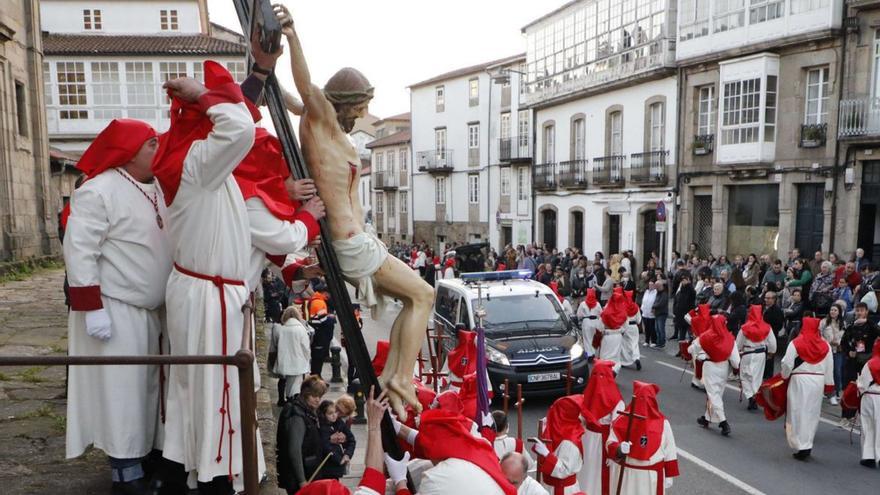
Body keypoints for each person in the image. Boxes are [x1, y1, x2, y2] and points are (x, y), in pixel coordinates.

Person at [277, 5, 434, 419]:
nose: (363, 115)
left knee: (412, 298)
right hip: (351, 242)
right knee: (424, 294)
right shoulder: (324, 119)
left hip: (355, 240)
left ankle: (400, 375)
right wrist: (292, 37)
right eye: (360, 107)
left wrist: (270, 76)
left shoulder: (320, 123)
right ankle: (400, 377)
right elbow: (306, 89)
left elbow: (295, 99)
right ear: (342, 104)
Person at [151, 61, 265, 492]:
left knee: (198, 390)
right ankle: (211, 477)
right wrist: (200, 92)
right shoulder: (197, 163)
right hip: (206, 297)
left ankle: (193, 472)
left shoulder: (196, 162)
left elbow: (240, 121)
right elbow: (240, 129)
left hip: (203, 293)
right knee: (211, 390)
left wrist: (259, 74)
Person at [63, 119, 171, 494]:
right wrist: (92, 308)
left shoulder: (156, 187)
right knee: (121, 393)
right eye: (151, 145)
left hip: (151, 312)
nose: (158, 151)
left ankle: (146, 461)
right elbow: (79, 250)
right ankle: (124, 476)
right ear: (130, 152)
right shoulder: (98, 190)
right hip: (115, 308)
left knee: (148, 392)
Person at [390, 409, 517, 495]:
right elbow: (435, 441)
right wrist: (397, 427)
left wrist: (400, 481)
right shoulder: (480, 447)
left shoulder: (435, 478)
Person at [297, 387, 394, 495]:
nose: (336, 415)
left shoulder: (341, 423)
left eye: (340, 413)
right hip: (323, 465)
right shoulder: (320, 421)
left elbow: (350, 440)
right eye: (334, 411)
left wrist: (347, 454)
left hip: (334, 466)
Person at [606, 381, 679, 495]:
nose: (643, 403)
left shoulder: (663, 424)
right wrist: (619, 448)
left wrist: (669, 475)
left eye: (647, 399)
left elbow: (670, 449)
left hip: (650, 478)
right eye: (640, 398)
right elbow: (610, 443)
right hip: (626, 475)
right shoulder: (621, 420)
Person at [781, 317, 834, 460]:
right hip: (818, 381)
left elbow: (787, 363)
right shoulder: (826, 346)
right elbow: (830, 366)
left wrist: (785, 376)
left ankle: (800, 444)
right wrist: (829, 385)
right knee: (812, 412)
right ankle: (807, 443)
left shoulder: (796, 343)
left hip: (800, 379)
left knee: (797, 411)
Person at [577, 360, 623, 495]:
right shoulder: (616, 400)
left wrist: (612, 452)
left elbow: (617, 427)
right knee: (588, 472)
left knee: (595, 474)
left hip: (601, 442)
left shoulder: (587, 395)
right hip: (590, 440)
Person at [277, 375, 329, 492]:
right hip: (302, 477)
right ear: (305, 394)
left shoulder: (306, 410)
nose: (317, 400)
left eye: (319, 397)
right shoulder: (297, 417)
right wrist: (302, 481)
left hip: (309, 471)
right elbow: (294, 450)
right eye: (314, 396)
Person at [690, 315, 740, 436]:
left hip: (709, 367)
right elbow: (736, 361)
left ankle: (723, 422)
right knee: (716, 393)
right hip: (723, 368)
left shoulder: (705, 336)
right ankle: (707, 418)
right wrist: (736, 370)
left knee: (713, 394)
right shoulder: (730, 338)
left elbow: (691, 349)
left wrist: (697, 353)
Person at [530, 396, 584, 495]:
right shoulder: (560, 431)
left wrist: (547, 455)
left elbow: (563, 471)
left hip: (562, 489)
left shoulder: (570, 442)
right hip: (550, 486)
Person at [840, 303, 880, 426]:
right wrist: (848, 352)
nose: (859, 313)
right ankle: (846, 416)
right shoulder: (851, 327)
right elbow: (843, 343)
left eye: (862, 310)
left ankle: (860, 415)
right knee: (850, 388)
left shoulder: (871, 326)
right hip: (852, 361)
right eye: (857, 311)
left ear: (867, 312)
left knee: (863, 388)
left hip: (866, 363)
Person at [736, 305, 777, 411]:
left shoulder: (744, 328)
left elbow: (738, 344)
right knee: (757, 377)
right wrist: (771, 352)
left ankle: (751, 396)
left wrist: (737, 352)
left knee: (745, 376)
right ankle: (755, 395)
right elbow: (772, 343)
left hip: (748, 353)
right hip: (761, 354)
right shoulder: (767, 327)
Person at [270, 306, 312, 403]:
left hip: (285, 361)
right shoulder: (301, 329)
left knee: (287, 384)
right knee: (296, 386)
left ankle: (287, 400)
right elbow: (306, 348)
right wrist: (307, 359)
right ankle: (292, 403)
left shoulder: (282, 329)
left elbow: (276, 345)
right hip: (298, 361)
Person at [315, 400, 356, 481]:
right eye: (330, 413)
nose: (334, 415)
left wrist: (347, 454)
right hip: (326, 468)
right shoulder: (321, 427)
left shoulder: (339, 423)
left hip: (336, 467)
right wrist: (339, 459)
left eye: (335, 412)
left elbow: (352, 440)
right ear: (323, 415)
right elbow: (324, 446)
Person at [857, 341, 880, 468]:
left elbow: (862, 385)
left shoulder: (870, 364)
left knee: (868, 426)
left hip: (871, 397)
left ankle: (869, 456)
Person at [820, 303, 845, 405]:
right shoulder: (824, 322)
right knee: (826, 371)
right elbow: (820, 334)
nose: (833, 312)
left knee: (837, 371)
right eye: (831, 310)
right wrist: (826, 342)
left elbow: (845, 336)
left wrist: (839, 343)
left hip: (838, 350)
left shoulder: (843, 323)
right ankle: (828, 391)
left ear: (839, 312)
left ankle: (836, 391)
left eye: (835, 310)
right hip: (826, 350)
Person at [599, 288, 630, 373]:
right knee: (616, 356)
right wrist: (620, 331)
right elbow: (626, 325)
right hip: (618, 336)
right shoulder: (623, 313)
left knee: (605, 355)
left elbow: (600, 325)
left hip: (607, 335)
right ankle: (614, 370)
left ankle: (604, 373)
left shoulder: (606, 312)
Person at [308, 289, 337, 377]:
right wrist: (331, 317)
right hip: (319, 333)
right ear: (324, 293)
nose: (329, 297)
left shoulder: (315, 300)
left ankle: (316, 375)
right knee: (318, 358)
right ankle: (316, 376)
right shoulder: (320, 302)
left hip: (316, 331)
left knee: (317, 357)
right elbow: (323, 319)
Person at [763, 291, 785, 379]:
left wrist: (770, 329)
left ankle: (768, 375)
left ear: (774, 299)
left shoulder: (777, 310)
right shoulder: (765, 308)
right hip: (764, 335)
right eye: (765, 298)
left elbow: (779, 324)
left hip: (771, 335)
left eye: (768, 298)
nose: (766, 300)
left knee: (770, 354)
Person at [576, 288, 603, 358]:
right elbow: (601, 314)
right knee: (594, 339)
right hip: (595, 322)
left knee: (587, 339)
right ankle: (594, 353)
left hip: (586, 322)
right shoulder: (597, 304)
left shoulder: (583, 304)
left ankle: (589, 354)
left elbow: (579, 315)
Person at [620, 291, 642, 370]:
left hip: (626, 327)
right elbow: (639, 320)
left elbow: (622, 318)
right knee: (634, 343)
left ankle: (624, 361)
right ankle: (636, 357)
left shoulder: (623, 306)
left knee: (625, 344)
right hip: (634, 327)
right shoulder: (636, 306)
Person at [673, 274, 696, 341]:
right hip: (680, 314)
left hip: (688, 313)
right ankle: (682, 348)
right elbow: (677, 300)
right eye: (682, 280)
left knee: (690, 332)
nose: (683, 282)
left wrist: (688, 284)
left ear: (688, 280)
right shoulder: (681, 290)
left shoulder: (691, 290)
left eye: (684, 280)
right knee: (682, 333)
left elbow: (691, 300)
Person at [653, 280, 669, 349]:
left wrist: (654, 306)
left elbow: (661, 303)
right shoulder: (658, 293)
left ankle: (662, 343)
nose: (656, 287)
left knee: (660, 329)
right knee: (657, 329)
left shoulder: (664, 294)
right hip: (657, 313)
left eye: (657, 286)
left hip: (662, 313)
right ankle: (658, 342)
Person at [640, 281, 657, 347]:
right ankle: (647, 340)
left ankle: (653, 341)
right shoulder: (646, 291)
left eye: (652, 285)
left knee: (652, 328)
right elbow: (644, 300)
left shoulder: (655, 292)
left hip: (651, 313)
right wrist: (642, 308)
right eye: (649, 285)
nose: (650, 286)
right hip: (645, 312)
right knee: (646, 328)